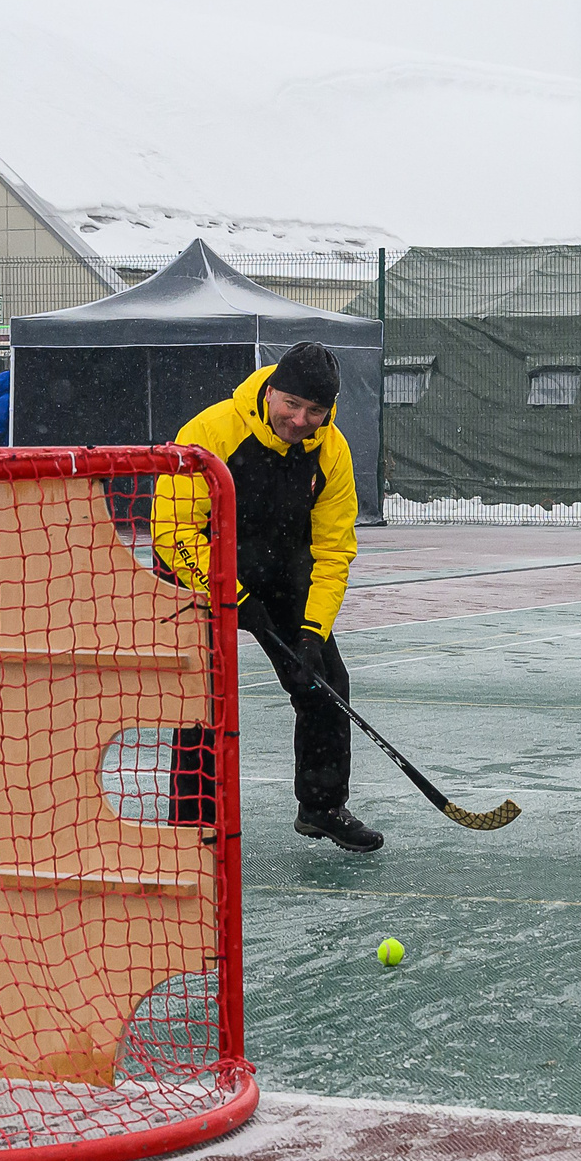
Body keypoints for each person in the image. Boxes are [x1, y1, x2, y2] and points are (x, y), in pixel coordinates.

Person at [150, 341, 379, 852]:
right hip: (198, 567)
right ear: (271, 390)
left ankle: (321, 807)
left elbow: (333, 550)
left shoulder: (331, 450)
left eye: (314, 411)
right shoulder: (210, 432)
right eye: (292, 404)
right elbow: (173, 532)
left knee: (324, 680)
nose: (300, 420)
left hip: (280, 567)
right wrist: (231, 594)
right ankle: (192, 822)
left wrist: (313, 632)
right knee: (202, 696)